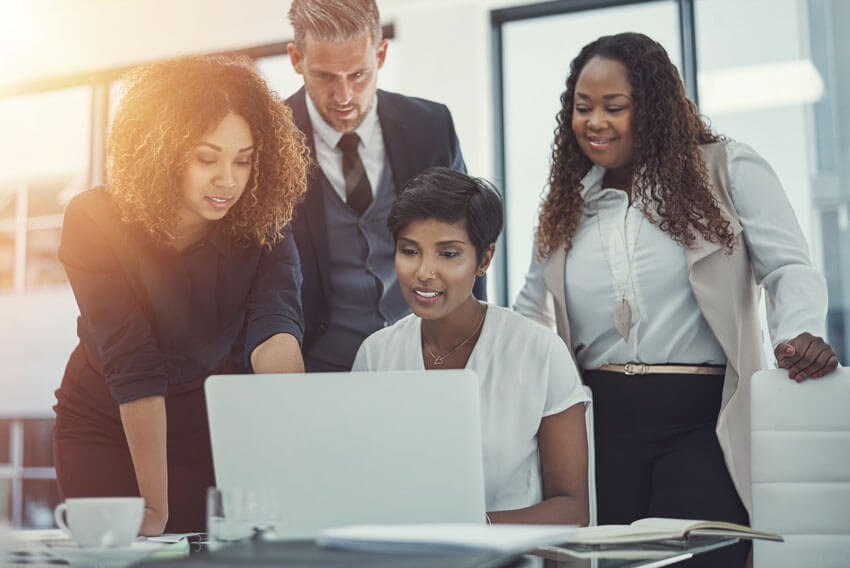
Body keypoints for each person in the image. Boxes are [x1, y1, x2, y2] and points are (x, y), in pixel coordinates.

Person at [514, 32, 838, 566]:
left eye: (614, 107)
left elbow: (789, 267)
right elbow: (532, 312)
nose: (594, 122)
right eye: (582, 107)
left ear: (654, 108)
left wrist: (798, 333)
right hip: (601, 426)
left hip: (702, 422)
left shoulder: (725, 169)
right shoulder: (566, 204)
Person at [53, 56, 309, 535]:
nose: (228, 180)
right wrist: (154, 510)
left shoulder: (264, 221)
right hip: (106, 421)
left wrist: (300, 460)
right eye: (206, 158)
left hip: (204, 423)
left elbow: (275, 332)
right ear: (163, 152)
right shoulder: (93, 218)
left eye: (243, 159)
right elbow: (134, 364)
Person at [353, 167, 590, 524]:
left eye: (448, 254)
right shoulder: (376, 354)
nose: (424, 272)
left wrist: (471, 532)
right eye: (410, 251)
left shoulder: (539, 351)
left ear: (484, 259)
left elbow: (572, 509)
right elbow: (360, 487)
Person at [285, 0, 483, 372]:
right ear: (296, 59)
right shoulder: (269, 138)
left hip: (425, 360)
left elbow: (467, 237)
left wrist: (475, 349)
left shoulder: (431, 125)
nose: (343, 97)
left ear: (381, 53)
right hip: (317, 368)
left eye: (358, 75)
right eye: (325, 76)